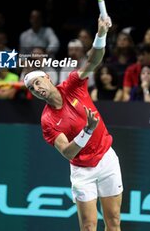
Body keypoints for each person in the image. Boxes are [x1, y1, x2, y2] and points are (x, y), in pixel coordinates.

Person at [23, 15, 123, 231]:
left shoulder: (72, 85)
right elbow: (68, 153)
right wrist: (87, 130)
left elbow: (94, 60)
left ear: (48, 78)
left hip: (106, 158)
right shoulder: (47, 120)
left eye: (38, 82)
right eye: (32, 88)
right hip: (82, 171)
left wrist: (101, 34)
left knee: (113, 222)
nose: (37, 89)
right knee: (88, 227)